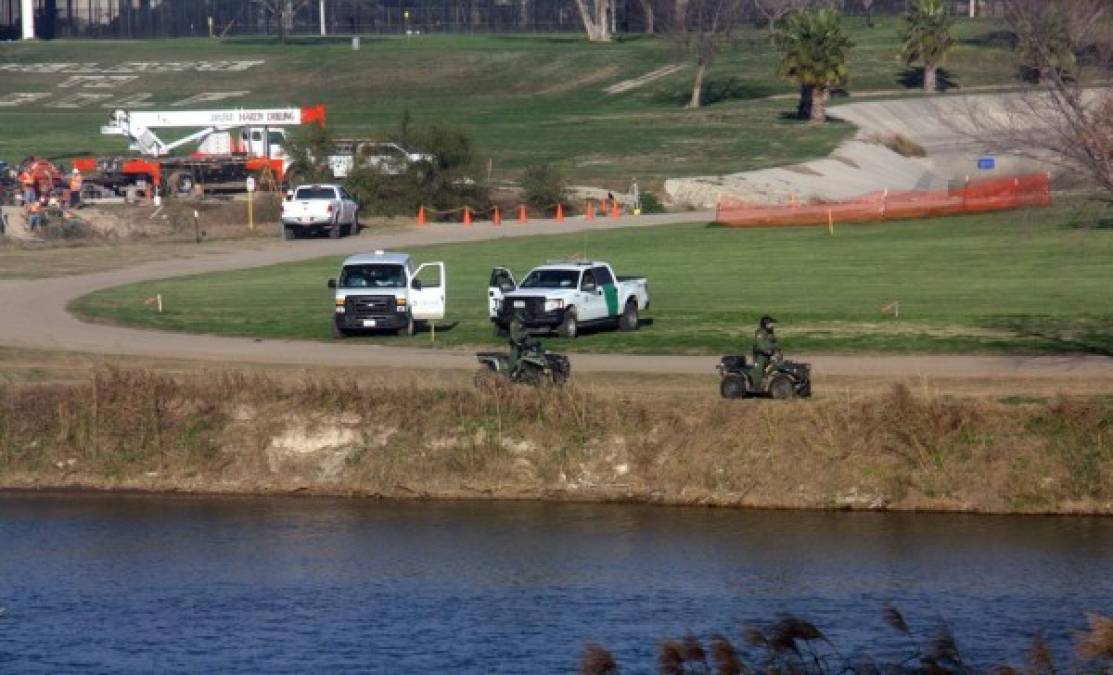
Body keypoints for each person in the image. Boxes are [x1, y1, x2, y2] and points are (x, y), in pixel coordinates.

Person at [750, 315, 781, 387]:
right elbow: (761, 346)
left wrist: (777, 351)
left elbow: (776, 344)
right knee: (758, 372)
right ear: (765, 324)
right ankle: (758, 384)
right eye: (771, 323)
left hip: (769, 355)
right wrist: (769, 351)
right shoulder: (760, 333)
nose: (773, 325)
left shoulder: (770, 333)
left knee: (778, 364)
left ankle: (770, 378)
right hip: (760, 356)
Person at [508, 310, 538, 377]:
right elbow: (515, 337)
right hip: (516, 346)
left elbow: (527, 337)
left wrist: (533, 342)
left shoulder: (522, 325)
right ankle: (511, 374)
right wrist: (525, 334)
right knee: (514, 360)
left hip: (523, 345)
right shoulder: (514, 324)